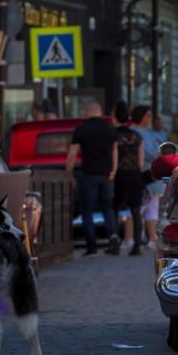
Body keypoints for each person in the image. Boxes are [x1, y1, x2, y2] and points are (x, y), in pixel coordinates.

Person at [65, 100, 119, 256]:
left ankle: (92, 246)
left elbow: (72, 155)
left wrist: (69, 174)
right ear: (100, 113)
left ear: (87, 112)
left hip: (89, 175)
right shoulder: (110, 129)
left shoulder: (82, 129)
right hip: (107, 175)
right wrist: (113, 171)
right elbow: (115, 151)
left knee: (86, 210)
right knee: (107, 208)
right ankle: (113, 236)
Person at [113, 102, 145, 255]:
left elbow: (113, 156)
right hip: (135, 175)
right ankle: (137, 244)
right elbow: (141, 160)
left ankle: (114, 243)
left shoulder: (114, 135)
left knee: (115, 209)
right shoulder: (136, 136)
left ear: (115, 117)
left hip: (119, 174)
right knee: (135, 210)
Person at [131, 105, 161, 249]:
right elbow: (152, 152)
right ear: (141, 116)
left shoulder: (146, 132)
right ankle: (142, 237)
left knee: (150, 207)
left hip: (149, 175)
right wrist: (159, 154)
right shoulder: (139, 132)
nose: (150, 118)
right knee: (143, 207)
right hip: (144, 175)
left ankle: (150, 238)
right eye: (148, 115)